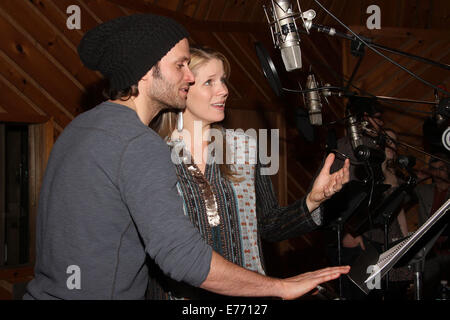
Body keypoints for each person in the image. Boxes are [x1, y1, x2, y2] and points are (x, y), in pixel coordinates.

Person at [23, 14, 350, 300]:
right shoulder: (140, 143)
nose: (189, 76)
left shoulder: (78, 129)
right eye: (180, 65)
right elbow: (181, 257)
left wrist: (311, 202)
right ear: (145, 70)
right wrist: (279, 287)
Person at [148, 46, 351, 299]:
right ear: (183, 88)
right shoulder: (151, 154)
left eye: (223, 80)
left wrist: (314, 200)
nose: (223, 90)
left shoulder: (245, 147)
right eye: (209, 82)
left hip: (246, 297)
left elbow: (269, 225)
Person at [414, 154, 450, 299]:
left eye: (441, 169)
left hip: (448, 248)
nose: (438, 173)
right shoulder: (423, 191)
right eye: (434, 169)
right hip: (430, 251)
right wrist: (418, 178)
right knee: (428, 290)